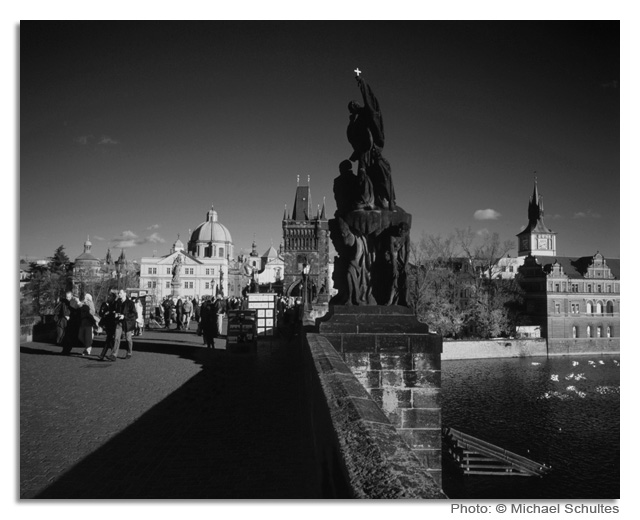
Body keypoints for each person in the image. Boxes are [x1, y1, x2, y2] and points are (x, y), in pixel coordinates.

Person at [107, 289, 137, 361]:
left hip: (127, 323)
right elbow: (114, 309)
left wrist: (124, 316)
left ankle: (129, 352)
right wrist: (115, 314)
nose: (119, 294)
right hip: (119, 322)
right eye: (119, 293)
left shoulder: (130, 303)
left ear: (125, 294)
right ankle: (114, 355)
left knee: (128, 338)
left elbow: (134, 314)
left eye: (120, 293)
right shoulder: (117, 302)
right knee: (117, 338)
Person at [98, 292, 117, 360]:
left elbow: (115, 312)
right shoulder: (104, 304)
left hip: (113, 323)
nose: (108, 297)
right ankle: (114, 354)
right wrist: (104, 313)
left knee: (108, 339)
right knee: (110, 340)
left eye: (110, 296)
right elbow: (100, 313)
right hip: (106, 324)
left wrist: (110, 313)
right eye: (108, 296)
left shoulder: (115, 304)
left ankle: (102, 355)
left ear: (113, 298)